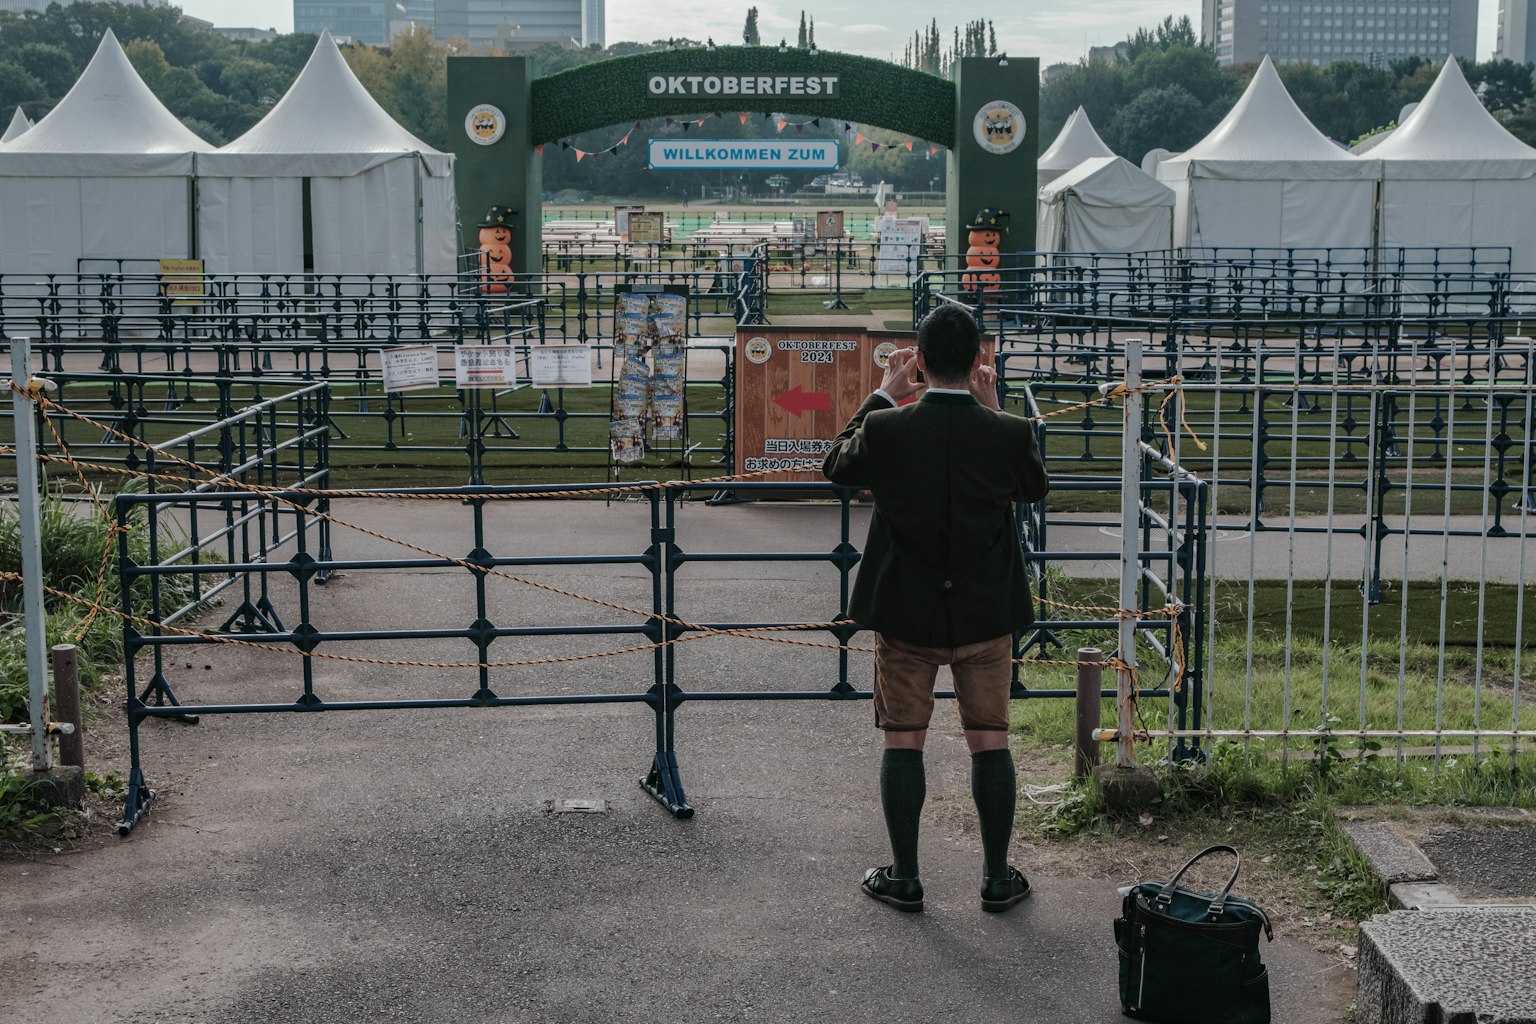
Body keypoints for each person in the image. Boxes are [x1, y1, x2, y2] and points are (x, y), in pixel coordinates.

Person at [822, 303, 1049, 914]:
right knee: (989, 740)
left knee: (903, 742)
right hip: (983, 613)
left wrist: (880, 395)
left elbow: (835, 466)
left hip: (906, 610)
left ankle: (907, 876)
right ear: (979, 360)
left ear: (918, 363)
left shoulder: (891, 427)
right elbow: (1034, 487)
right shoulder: (1007, 432)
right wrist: (998, 411)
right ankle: (998, 878)